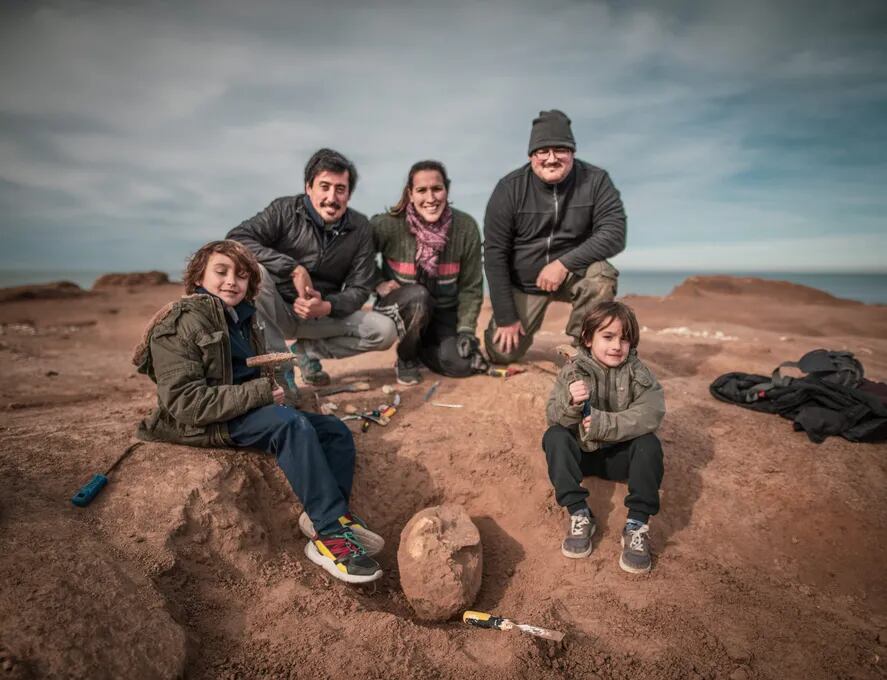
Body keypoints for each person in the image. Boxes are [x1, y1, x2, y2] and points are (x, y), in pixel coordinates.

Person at [132, 239, 384, 584]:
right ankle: (329, 539)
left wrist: (268, 389)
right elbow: (186, 403)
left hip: (240, 411)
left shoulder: (242, 319)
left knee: (334, 431)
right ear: (198, 279)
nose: (231, 281)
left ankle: (330, 517)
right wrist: (262, 392)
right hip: (198, 423)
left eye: (241, 275)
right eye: (221, 272)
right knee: (291, 425)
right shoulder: (178, 325)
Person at [227, 148, 397, 393]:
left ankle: (306, 351)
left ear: (349, 194)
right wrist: (293, 268)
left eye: (340, 189)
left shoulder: (360, 227)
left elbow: (360, 288)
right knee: (258, 272)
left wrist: (326, 305)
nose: (332, 197)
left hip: (322, 315)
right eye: (324, 186)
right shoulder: (284, 209)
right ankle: (280, 371)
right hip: (275, 310)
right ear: (309, 187)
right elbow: (237, 240)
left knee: (385, 331)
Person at [483, 110, 627, 364]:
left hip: (573, 274)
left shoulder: (595, 180)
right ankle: (509, 329)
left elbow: (614, 233)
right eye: (542, 151)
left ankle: (582, 354)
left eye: (560, 149)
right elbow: (495, 254)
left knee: (601, 275)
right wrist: (506, 317)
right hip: (525, 282)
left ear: (572, 152)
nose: (551, 158)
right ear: (531, 156)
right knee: (501, 353)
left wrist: (563, 264)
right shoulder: (509, 188)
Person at [542, 301, 665, 573]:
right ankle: (579, 512)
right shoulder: (573, 371)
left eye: (624, 339)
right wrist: (571, 402)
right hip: (582, 456)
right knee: (554, 437)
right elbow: (553, 415)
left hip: (620, 458)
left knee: (649, 444)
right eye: (608, 337)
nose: (616, 346)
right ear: (588, 338)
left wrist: (604, 423)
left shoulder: (639, 373)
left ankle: (636, 524)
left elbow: (652, 413)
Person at [370, 160, 486, 385]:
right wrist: (378, 282)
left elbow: (471, 287)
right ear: (410, 194)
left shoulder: (466, 228)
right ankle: (406, 357)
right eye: (421, 190)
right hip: (400, 308)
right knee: (418, 297)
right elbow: (358, 257)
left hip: (444, 310)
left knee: (462, 365)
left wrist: (466, 332)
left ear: (446, 190)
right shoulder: (387, 225)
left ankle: (423, 349)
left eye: (437, 189)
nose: (430, 198)